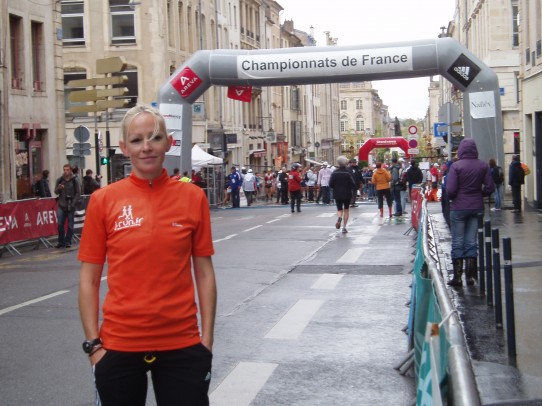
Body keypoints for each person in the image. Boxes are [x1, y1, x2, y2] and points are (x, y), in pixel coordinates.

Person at [77, 104, 217, 406]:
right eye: (137, 140)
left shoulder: (193, 196)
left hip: (183, 343)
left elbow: (204, 272)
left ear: (168, 143)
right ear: (124, 147)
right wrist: (94, 346)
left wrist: (206, 340)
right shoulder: (103, 201)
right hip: (118, 345)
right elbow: (88, 280)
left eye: (154, 137)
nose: (147, 147)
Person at [446, 139, 494, 287]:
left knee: (458, 241)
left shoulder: (456, 166)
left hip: (459, 207)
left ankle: (457, 277)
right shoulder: (483, 166)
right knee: (471, 241)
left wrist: (455, 197)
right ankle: (470, 277)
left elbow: (451, 190)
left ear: (461, 150)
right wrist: (479, 194)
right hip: (477, 206)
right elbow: (490, 187)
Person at [54, 163, 81, 248]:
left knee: (70, 224)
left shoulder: (74, 180)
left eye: (67, 170)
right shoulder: (60, 179)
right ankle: (61, 241)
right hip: (62, 204)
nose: (66, 171)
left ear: (70, 170)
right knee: (60, 224)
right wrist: (59, 188)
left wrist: (73, 202)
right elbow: (55, 191)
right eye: (65, 170)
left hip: (71, 204)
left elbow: (78, 192)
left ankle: (68, 241)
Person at [329, 156, 356, 233]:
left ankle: (339, 217)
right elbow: (353, 184)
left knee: (339, 209)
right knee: (346, 209)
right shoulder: (348, 172)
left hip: (337, 193)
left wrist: (335, 187)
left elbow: (330, 184)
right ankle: (344, 227)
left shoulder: (334, 172)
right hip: (347, 193)